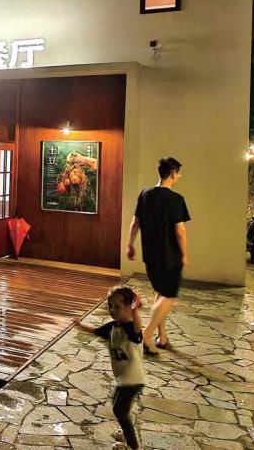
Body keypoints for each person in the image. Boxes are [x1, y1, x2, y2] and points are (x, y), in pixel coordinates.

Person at [126, 157, 190, 354]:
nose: (179, 176)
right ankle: (146, 335)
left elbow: (135, 223)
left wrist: (130, 245)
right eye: (178, 173)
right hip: (170, 256)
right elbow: (180, 230)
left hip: (150, 255)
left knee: (161, 293)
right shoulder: (176, 199)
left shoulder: (145, 194)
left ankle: (162, 337)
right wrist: (184, 254)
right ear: (173, 174)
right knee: (168, 296)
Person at [74, 286, 145, 450]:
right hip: (124, 378)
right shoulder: (113, 326)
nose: (112, 310)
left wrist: (135, 310)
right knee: (121, 408)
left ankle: (134, 446)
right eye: (110, 306)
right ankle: (127, 433)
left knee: (119, 409)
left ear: (129, 307)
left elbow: (137, 327)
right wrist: (79, 325)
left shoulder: (130, 328)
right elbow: (96, 331)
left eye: (117, 306)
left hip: (133, 379)